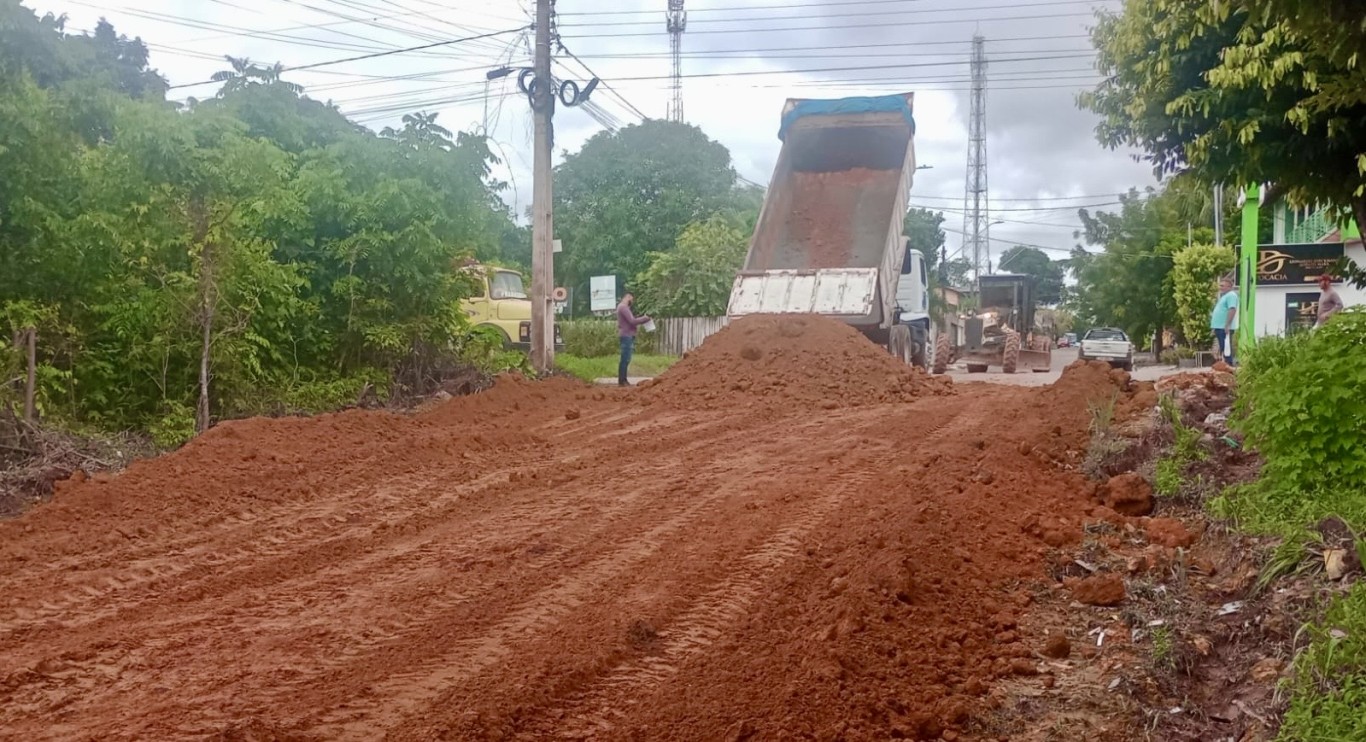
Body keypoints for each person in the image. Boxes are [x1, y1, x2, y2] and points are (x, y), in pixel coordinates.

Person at [616, 292, 651, 387]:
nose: (632, 301)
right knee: (625, 358)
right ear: (628, 297)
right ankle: (622, 381)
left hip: (626, 335)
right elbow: (632, 321)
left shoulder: (622, 307)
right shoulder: (623, 307)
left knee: (626, 358)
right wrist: (645, 318)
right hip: (626, 335)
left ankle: (623, 380)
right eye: (631, 298)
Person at [1210, 275, 1239, 365]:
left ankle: (1229, 365)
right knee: (1223, 347)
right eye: (1220, 285)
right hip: (1220, 326)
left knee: (1226, 347)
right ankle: (1225, 364)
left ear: (1229, 286)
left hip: (1224, 327)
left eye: (1222, 286)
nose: (1220, 287)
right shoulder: (1224, 296)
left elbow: (1232, 309)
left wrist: (1227, 325)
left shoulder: (1231, 295)